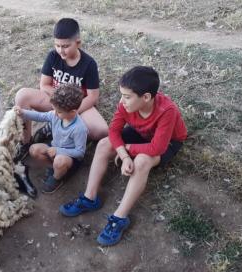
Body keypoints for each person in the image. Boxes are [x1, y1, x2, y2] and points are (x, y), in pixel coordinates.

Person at [59, 66, 187, 246]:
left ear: (146, 97)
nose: (122, 101)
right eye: (122, 95)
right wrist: (124, 155)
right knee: (104, 144)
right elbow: (113, 131)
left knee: (142, 161)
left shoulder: (167, 111)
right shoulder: (126, 104)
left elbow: (157, 147)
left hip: (168, 142)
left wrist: (127, 148)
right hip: (140, 133)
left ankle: (119, 218)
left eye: (127, 97)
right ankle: (89, 198)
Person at [14, 17, 108, 161]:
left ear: (78, 43)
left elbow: (93, 96)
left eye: (65, 46)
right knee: (22, 96)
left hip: (78, 105)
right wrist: (60, 101)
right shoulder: (53, 56)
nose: (60, 50)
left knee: (101, 131)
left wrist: (72, 110)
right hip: (56, 101)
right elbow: (44, 85)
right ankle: (26, 142)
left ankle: (60, 129)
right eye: (57, 45)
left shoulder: (89, 64)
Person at [15, 84, 87, 193]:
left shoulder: (79, 128)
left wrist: (58, 151)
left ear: (73, 112)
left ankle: (57, 178)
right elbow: (40, 116)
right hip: (55, 148)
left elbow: (80, 152)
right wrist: (23, 113)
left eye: (59, 112)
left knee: (59, 161)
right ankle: (55, 169)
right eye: (54, 110)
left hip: (69, 158)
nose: (55, 114)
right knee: (34, 149)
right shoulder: (56, 114)